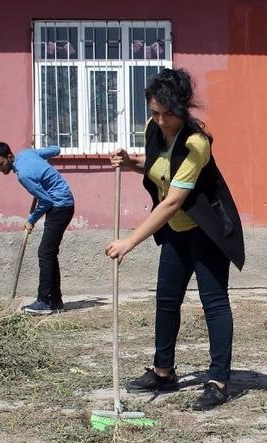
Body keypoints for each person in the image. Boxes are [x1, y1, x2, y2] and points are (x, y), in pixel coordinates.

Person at [104, 68, 244, 411]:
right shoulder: (155, 130)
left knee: (213, 303)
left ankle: (218, 380)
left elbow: (172, 200)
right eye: (155, 113)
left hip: (208, 231)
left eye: (169, 114)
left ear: (183, 108)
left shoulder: (197, 144)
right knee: (166, 300)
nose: (162, 120)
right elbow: (158, 166)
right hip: (177, 231)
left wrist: (128, 242)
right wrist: (131, 161)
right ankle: (163, 371)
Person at [0, 142, 75, 315]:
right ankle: (55, 301)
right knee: (49, 253)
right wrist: (42, 168)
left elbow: (46, 200)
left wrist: (31, 219)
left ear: (10, 156)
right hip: (64, 204)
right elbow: (56, 149)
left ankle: (44, 301)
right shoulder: (28, 154)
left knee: (45, 253)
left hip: (59, 206)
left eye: (0, 164)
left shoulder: (23, 175)